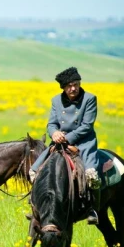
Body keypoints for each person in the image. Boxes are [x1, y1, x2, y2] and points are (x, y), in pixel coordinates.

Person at [29, 67, 102, 224]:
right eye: (69, 86)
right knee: (34, 171)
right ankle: (37, 207)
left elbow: (86, 126)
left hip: (83, 142)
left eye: (76, 84)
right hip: (59, 142)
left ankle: (93, 209)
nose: (73, 88)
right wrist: (54, 133)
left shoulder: (89, 99)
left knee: (90, 174)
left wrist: (65, 138)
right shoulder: (56, 100)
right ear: (63, 88)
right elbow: (51, 123)